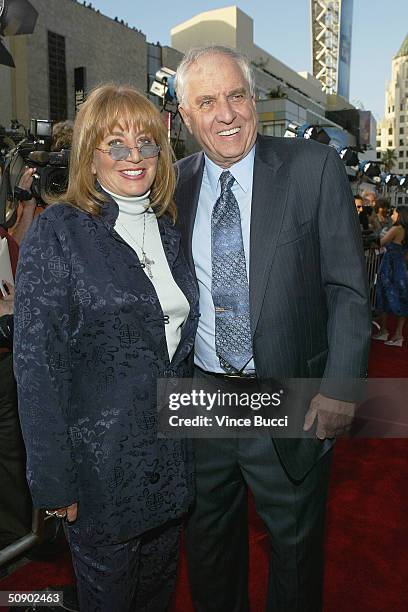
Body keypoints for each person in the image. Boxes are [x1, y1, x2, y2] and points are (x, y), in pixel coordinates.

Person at [174, 45, 371, 612]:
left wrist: (341, 387)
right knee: (209, 547)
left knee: (295, 548)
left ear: (254, 99)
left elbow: (348, 289)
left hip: (290, 397)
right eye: (207, 102)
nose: (226, 113)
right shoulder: (174, 187)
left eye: (236, 95)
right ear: (187, 117)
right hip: (201, 399)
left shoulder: (312, 168)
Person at [13, 84, 199, 612]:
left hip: (169, 467)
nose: (134, 156)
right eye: (115, 144)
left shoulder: (167, 232)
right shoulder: (59, 233)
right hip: (98, 478)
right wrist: (52, 482)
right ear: (90, 155)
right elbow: (36, 370)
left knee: (156, 600)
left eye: (146, 142)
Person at [373, 206, 408, 346]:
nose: (391, 214)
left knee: (383, 296)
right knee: (402, 298)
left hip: (389, 267)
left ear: (399, 215)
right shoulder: (406, 231)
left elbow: (380, 243)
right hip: (401, 268)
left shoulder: (396, 229)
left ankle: (383, 331)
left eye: (393, 212)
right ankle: (398, 334)